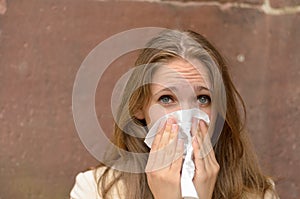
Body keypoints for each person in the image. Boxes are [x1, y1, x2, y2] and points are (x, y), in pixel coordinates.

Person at [70, 29, 279, 199]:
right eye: (167, 98)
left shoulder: (259, 194)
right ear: (140, 108)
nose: (185, 117)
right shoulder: (95, 191)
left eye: (202, 99)